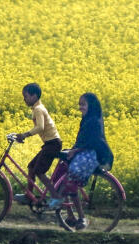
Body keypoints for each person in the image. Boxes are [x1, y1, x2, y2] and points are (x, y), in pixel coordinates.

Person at [47, 92, 114, 229]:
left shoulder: (94, 121)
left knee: (71, 181)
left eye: (83, 104)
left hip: (91, 156)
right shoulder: (87, 119)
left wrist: (75, 151)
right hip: (81, 153)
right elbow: (81, 141)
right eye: (79, 105)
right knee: (61, 173)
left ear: (92, 105)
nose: (80, 108)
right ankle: (70, 216)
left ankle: (82, 218)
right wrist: (72, 150)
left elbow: (92, 142)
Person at [10, 83, 61, 204]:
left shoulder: (38, 109)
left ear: (34, 96)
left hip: (52, 144)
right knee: (31, 167)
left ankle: (56, 197)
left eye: (26, 96)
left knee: (39, 171)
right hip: (50, 144)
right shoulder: (38, 108)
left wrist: (25, 135)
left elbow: (40, 127)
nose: (24, 99)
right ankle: (29, 195)